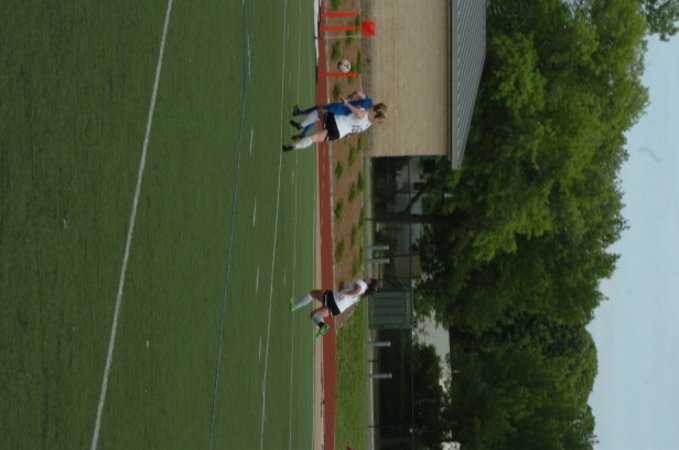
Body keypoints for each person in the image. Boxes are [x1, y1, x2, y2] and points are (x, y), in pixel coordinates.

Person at [282, 99, 385, 152]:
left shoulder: (366, 113)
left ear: (376, 112)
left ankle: (301, 125)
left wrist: (347, 104)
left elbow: (359, 114)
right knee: (312, 138)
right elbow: (355, 131)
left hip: (336, 122)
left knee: (319, 112)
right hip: (338, 134)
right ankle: (294, 146)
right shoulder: (368, 125)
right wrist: (348, 134)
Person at [290, 278, 378, 337]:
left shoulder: (362, 284)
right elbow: (353, 294)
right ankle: (322, 326)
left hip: (334, 299)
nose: (367, 278)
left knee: (313, 293)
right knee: (314, 314)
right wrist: (343, 289)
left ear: (369, 281)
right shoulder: (362, 294)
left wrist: (344, 293)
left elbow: (356, 290)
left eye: (369, 278)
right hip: (338, 309)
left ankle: (294, 306)